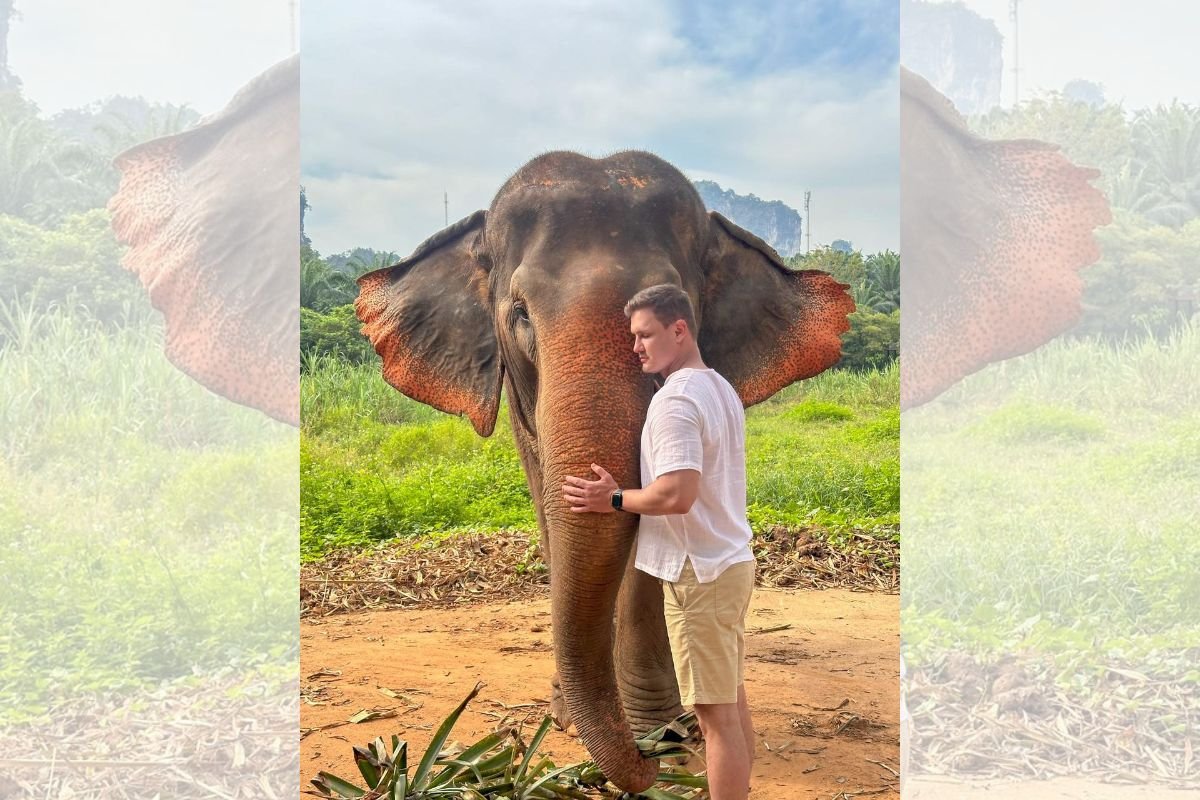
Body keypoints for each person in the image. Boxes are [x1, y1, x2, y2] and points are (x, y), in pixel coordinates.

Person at [561, 283, 757, 800]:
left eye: (645, 335)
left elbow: (677, 493)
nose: (637, 347)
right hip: (729, 563)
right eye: (633, 337)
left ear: (679, 329)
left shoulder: (675, 401)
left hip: (700, 574)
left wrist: (615, 499)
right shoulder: (718, 387)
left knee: (715, 720)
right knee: (731, 705)